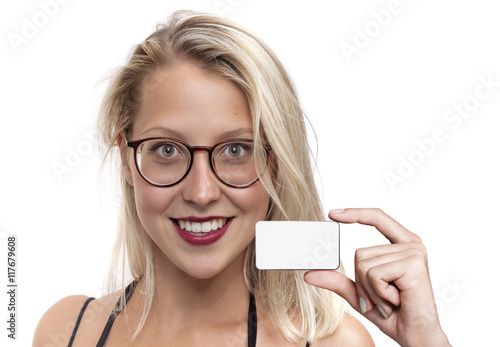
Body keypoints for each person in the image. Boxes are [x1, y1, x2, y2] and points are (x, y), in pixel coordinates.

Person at [33, 10, 451, 346]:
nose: (201, 192)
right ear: (126, 158)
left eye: (236, 150)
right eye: (166, 150)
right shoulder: (68, 331)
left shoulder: (331, 343)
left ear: (275, 164)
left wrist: (426, 339)